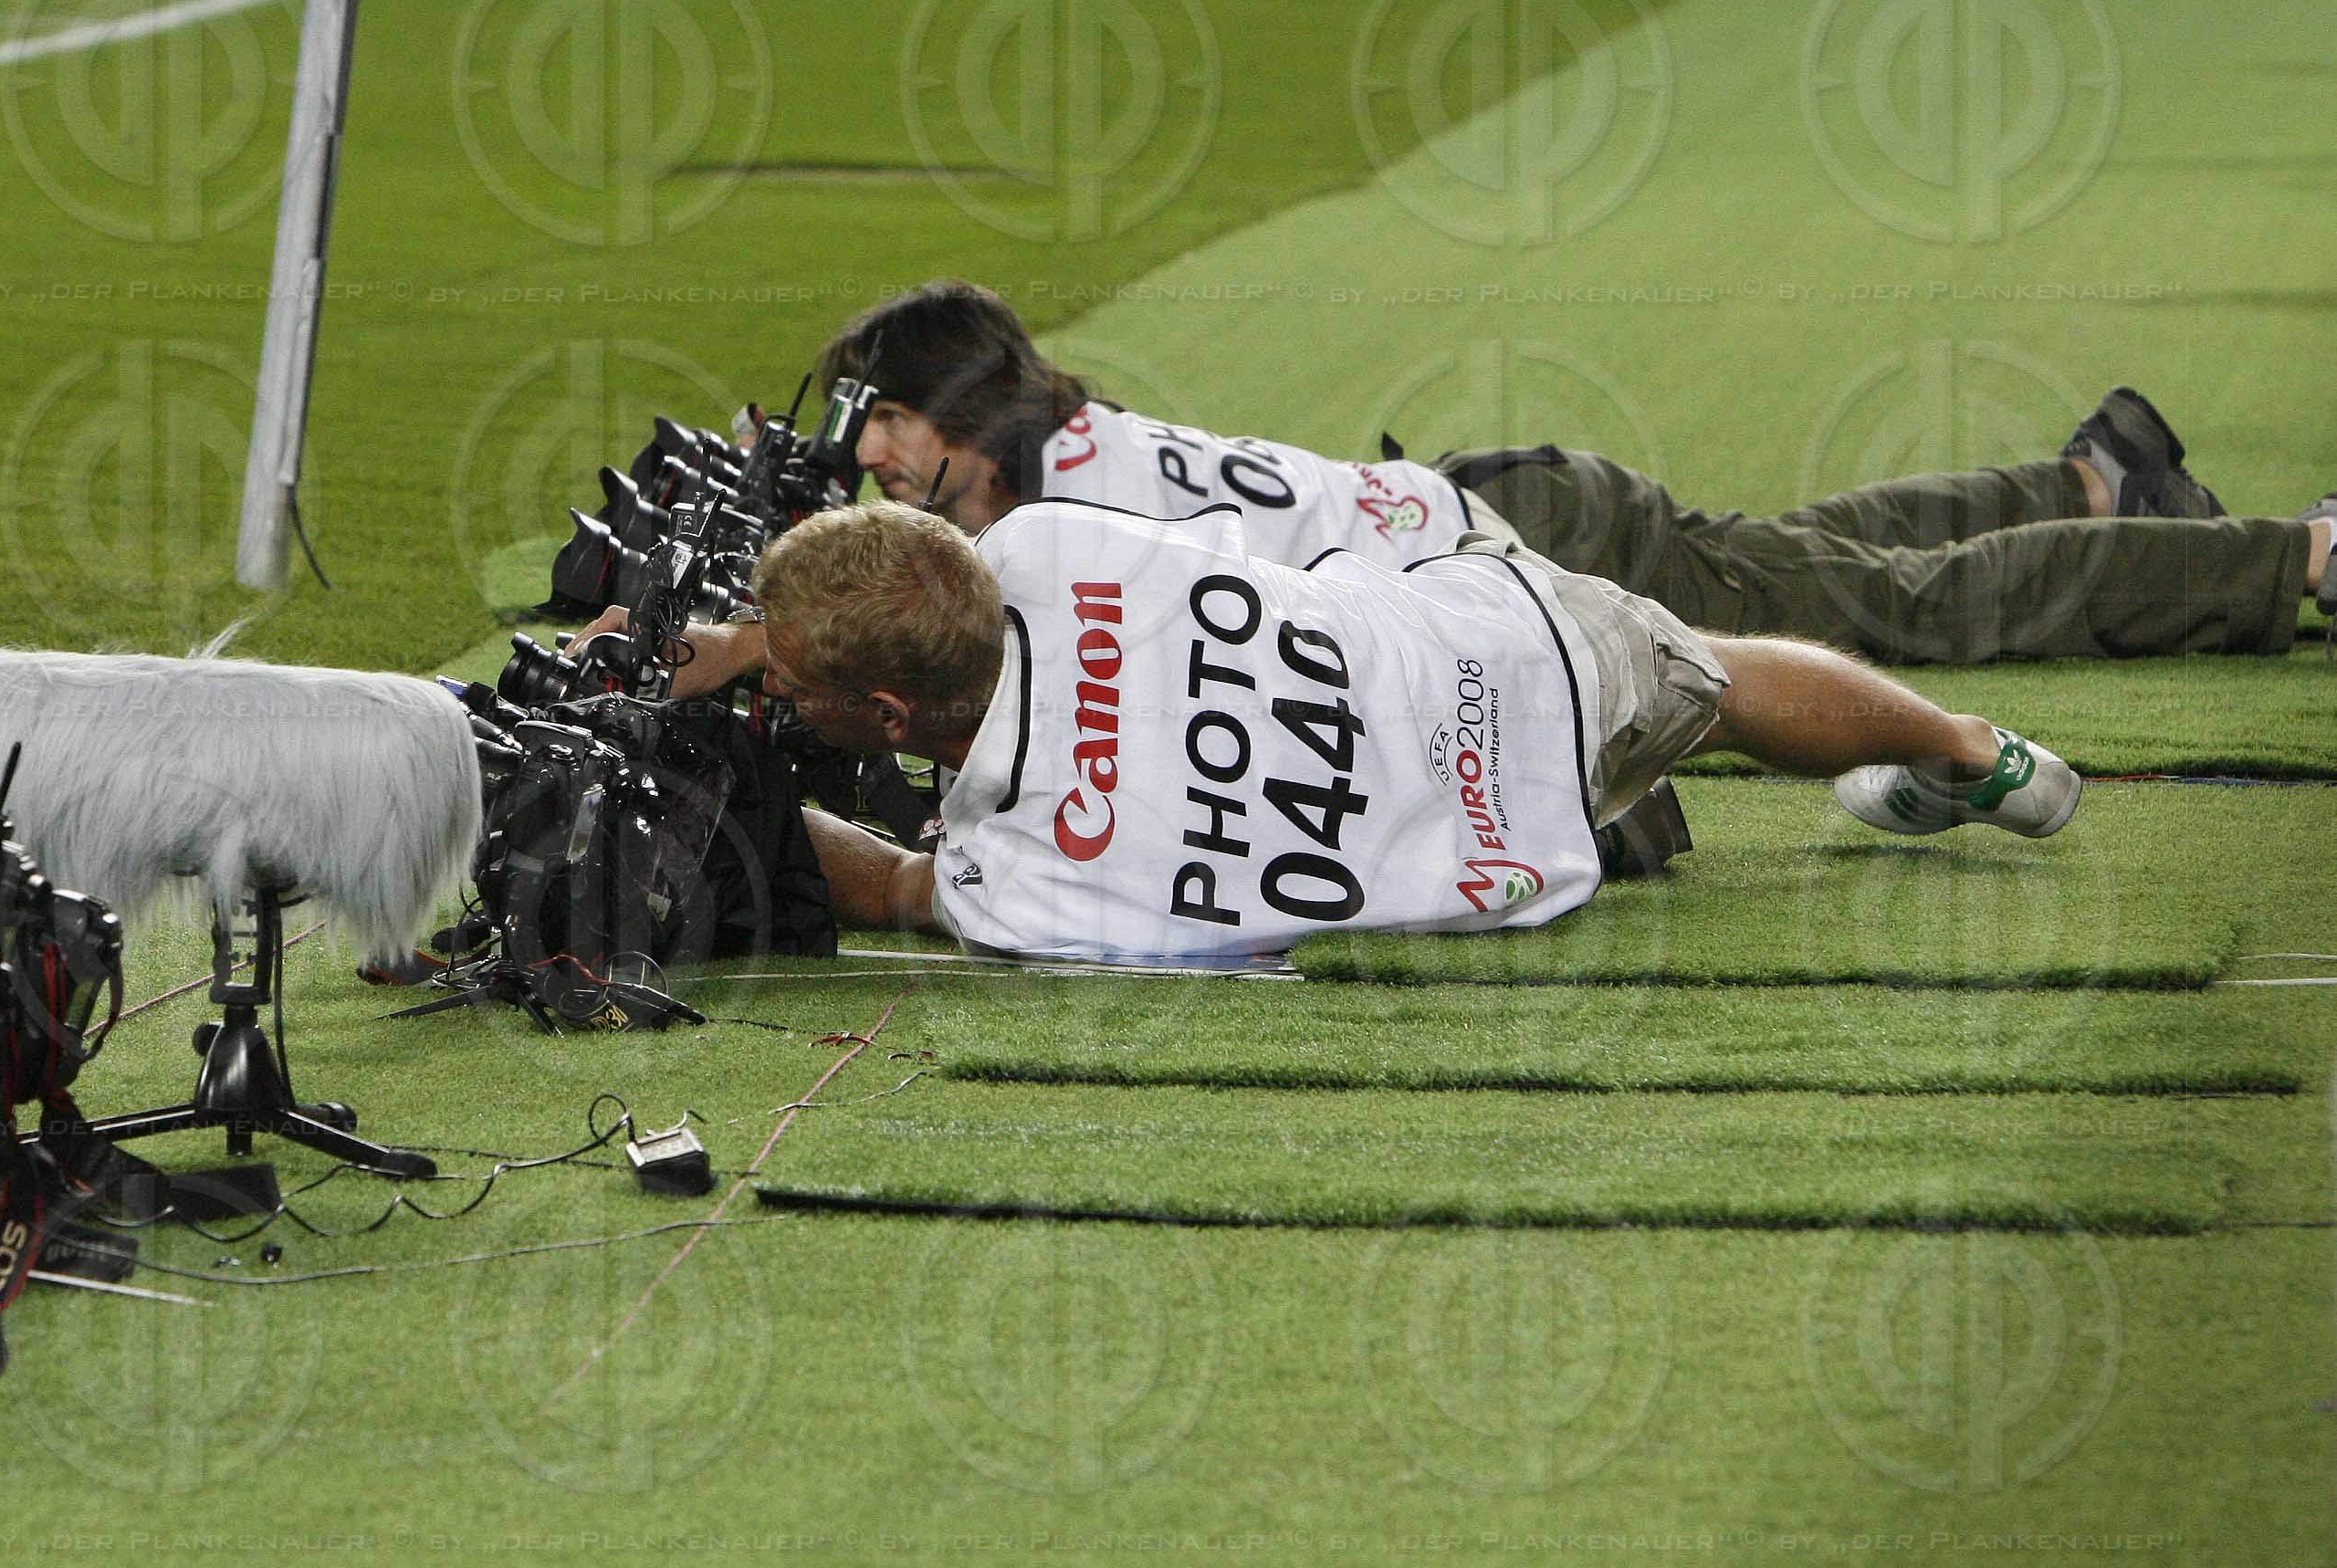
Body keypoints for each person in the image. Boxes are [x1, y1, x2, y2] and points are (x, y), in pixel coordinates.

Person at [635, 281, 2327, 673]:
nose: (867, 454)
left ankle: (2295, 560)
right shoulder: (1060, 449)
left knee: (1894, 617)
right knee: (1792, 563)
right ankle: (2091, 485)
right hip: (1501, 509)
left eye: (884, 420)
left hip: (1525, 549)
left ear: (957, 410)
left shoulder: (1071, 511)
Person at [752, 499, 2083, 964]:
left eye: (791, 678)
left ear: (887, 717)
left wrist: (736, 795)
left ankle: (1950, 755)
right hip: (1506, 664)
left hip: (1492, 844)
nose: (774, 685)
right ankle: (1970, 754)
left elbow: (895, 886)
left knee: (1701, 694)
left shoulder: (1013, 874)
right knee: (1717, 682)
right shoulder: (1043, 545)